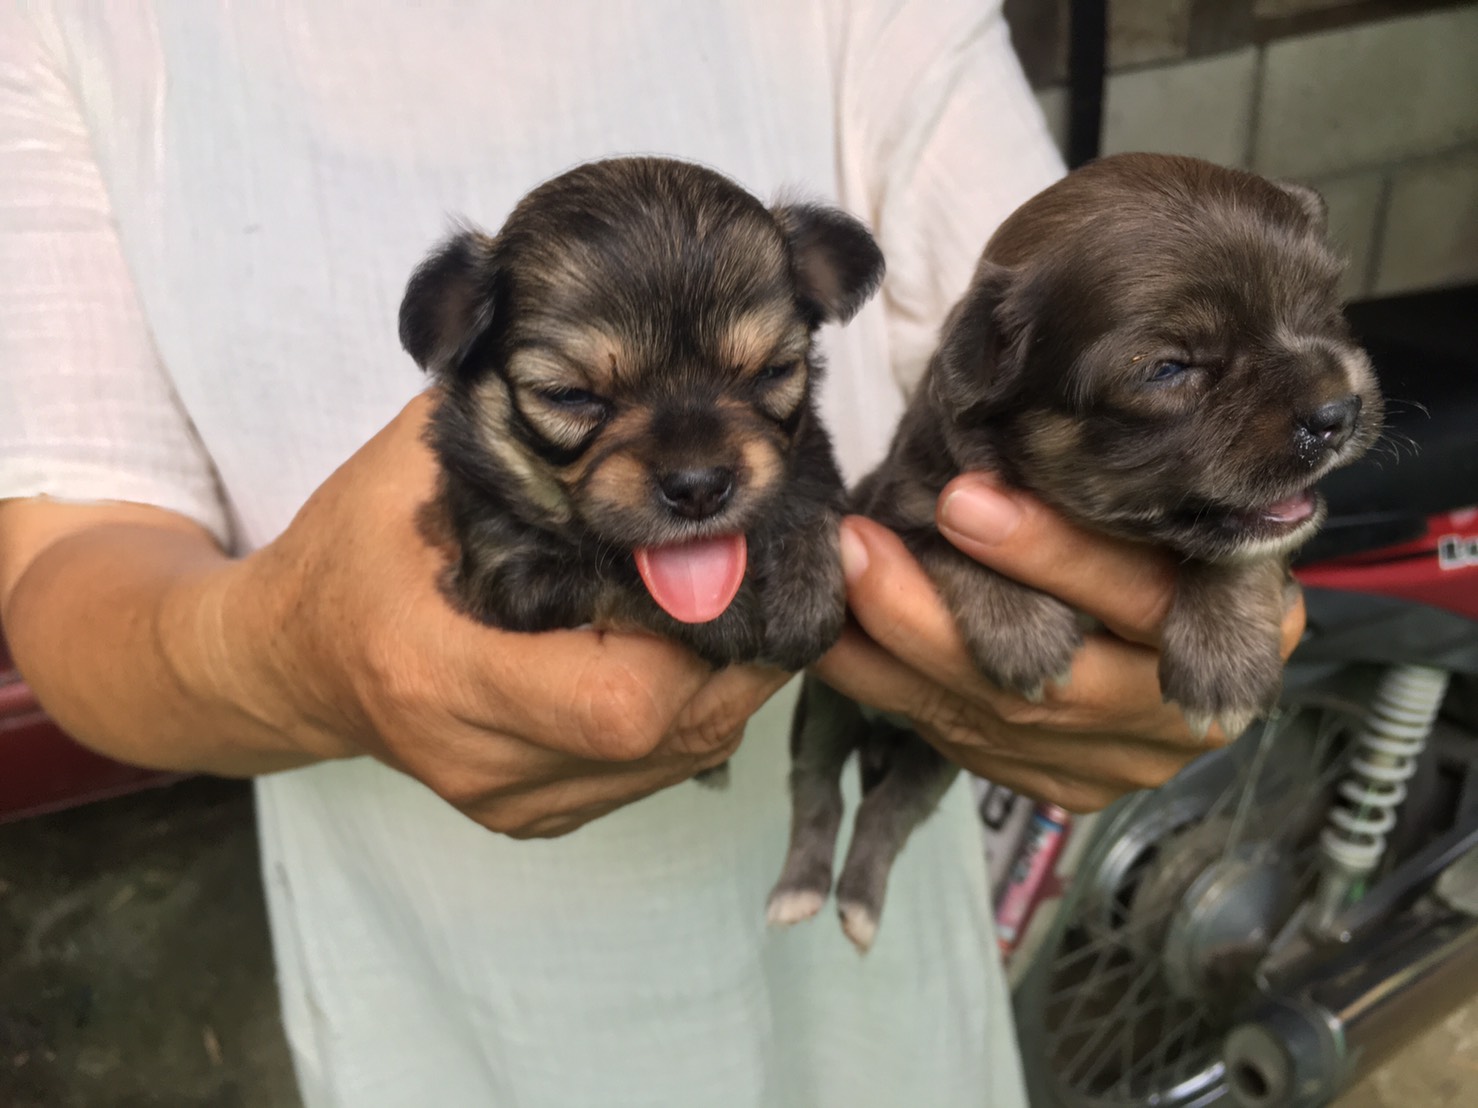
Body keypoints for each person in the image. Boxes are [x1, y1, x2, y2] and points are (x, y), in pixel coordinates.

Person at [0, 3, 1301, 1106]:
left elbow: (1061, 368)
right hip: (440, 1009)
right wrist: (294, 658)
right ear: (461, 352)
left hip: (874, 1023)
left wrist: (1212, 536)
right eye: (577, 397)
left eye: (769, 377)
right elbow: (70, 570)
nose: (691, 470)